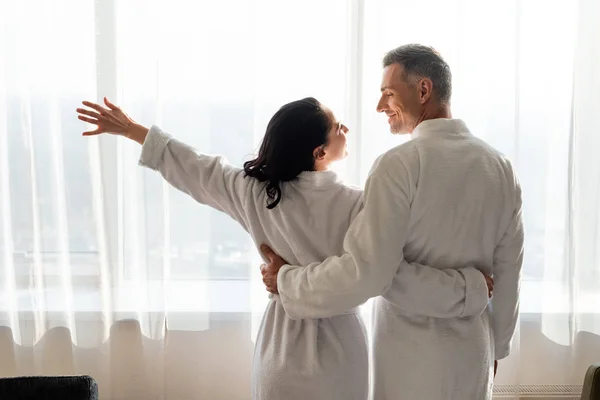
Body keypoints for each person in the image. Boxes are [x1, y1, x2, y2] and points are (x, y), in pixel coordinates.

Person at [77, 95, 492, 400]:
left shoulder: (255, 193)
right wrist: (471, 286)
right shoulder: (359, 204)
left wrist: (131, 129)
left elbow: (194, 168)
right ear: (319, 151)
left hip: (280, 348)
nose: (345, 129)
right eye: (337, 127)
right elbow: (400, 266)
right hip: (342, 350)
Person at [261, 44, 524, 400]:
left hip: (410, 361)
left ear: (424, 90)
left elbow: (371, 274)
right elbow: (509, 273)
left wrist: (287, 280)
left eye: (388, 93)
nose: (379, 106)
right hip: (474, 355)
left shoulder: (398, 165)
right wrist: (498, 345)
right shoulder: (501, 168)